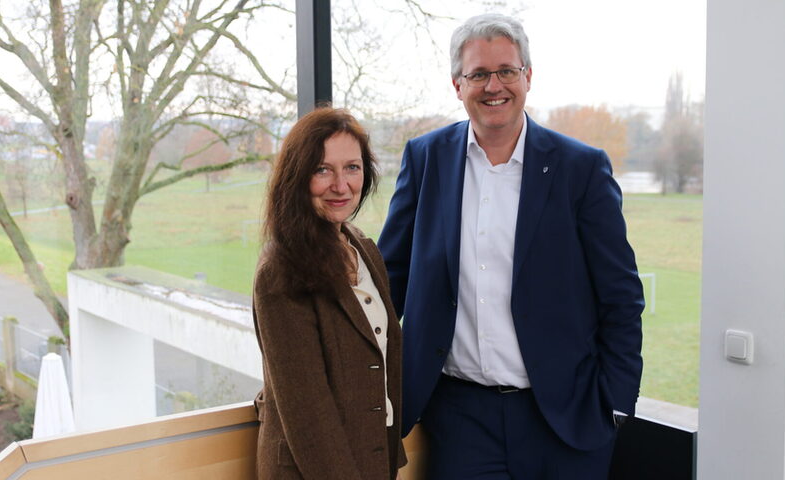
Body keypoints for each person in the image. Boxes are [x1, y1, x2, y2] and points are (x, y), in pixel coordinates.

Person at [378, 13, 644, 479]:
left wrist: (616, 404)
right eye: (478, 73)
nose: (493, 85)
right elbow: (389, 282)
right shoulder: (425, 159)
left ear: (528, 76)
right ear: (457, 85)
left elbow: (621, 297)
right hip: (460, 420)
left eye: (506, 70)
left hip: (566, 420)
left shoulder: (580, 169)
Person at [253, 107, 405, 479]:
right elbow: (308, 412)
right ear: (297, 177)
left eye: (352, 167)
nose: (341, 185)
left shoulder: (364, 248)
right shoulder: (281, 270)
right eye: (323, 170)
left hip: (369, 459)